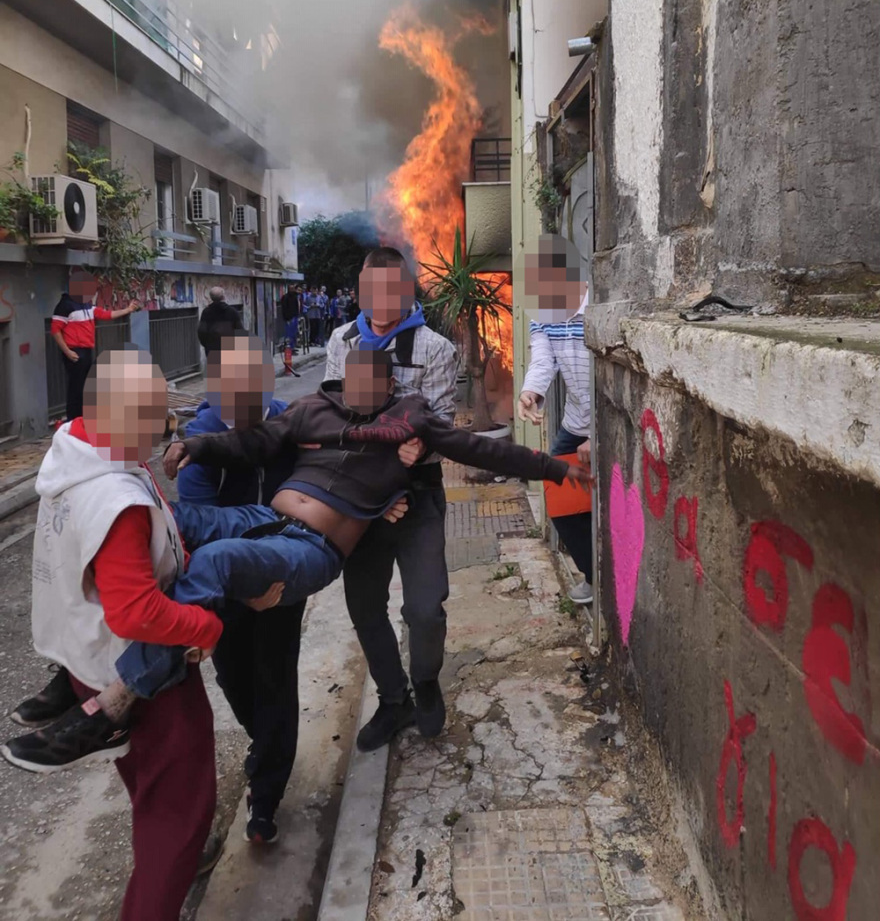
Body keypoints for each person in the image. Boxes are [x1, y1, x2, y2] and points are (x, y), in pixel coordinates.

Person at [4, 349, 586, 774]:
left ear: (389, 386)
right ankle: (73, 663)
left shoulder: (412, 420)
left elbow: (483, 447)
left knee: (222, 564)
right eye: (352, 378)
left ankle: (113, 704)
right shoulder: (313, 409)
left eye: (373, 380)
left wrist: (558, 468)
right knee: (154, 522)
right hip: (265, 519)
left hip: (311, 547)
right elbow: (255, 441)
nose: (361, 389)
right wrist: (195, 445)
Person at [7, 349, 225, 921]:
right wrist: (205, 624)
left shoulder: (74, 449)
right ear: (110, 413)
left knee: (145, 779)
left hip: (84, 659)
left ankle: (178, 854)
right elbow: (135, 613)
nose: (163, 426)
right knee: (180, 805)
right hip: (135, 666)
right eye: (151, 414)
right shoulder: (115, 498)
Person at [325, 246, 459, 751]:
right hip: (362, 499)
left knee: (426, 608)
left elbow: (442, 423)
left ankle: (425, 680)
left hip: (418, 494)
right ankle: (393, 697)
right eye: (370, 289)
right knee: (363, 603)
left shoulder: (435, 349)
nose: (380, 300)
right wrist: (375, 488)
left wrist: (415, 447)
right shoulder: (341, 342)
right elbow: (333, 421)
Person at [176, 333, 303, 843]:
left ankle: (266, 795)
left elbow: (320, 483)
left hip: (284, 572)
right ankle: (265, 744)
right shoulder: (199, 439)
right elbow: (199, 525)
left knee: (276, 679)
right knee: (235, 678)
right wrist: (243, 583)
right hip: (225, 583)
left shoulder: (289, 423)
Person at [517, 235, 594, 605]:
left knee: (608, 502)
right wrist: (529, 393)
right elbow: (543, 361)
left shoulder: (598, 307)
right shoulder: (542, 314)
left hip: (606, 423)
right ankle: (596, 576)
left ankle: (616, 580)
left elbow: (609, 376)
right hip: (574, 423)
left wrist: (601, 434)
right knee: (561, 503)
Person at [51, 268, 139, 421]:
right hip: (75, 351)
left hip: (87, 350)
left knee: (86, 386)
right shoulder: (65, 305)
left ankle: (84, 418)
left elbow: (106, 315)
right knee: (76, 388)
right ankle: (74, 419)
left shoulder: (86, 305)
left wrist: (128, 309)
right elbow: (55, 331)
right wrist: (67, 352)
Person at [197, 286, 244, 356]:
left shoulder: (206, 312)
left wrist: (207, 345)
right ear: (223, 297)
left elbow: (202, 332)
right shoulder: (232, 312)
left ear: (211, 298)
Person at [280, 283, 301, 353]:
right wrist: (287, 318)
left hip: (294, 317)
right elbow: (284, 309)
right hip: (289, 318)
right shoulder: (285, 297)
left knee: (294, 334)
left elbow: (296, 307)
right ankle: (289, 349)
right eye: (291, 289)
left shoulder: (295, 297)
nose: (292, 290)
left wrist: (297, 315)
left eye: (293, 288)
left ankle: (292, 347)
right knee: (289, 335)